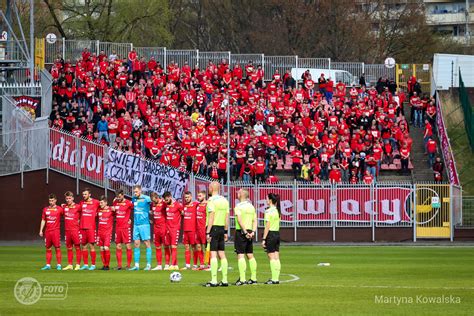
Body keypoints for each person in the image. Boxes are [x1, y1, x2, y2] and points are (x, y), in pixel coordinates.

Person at [205, 182, 230, 287]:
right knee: (222, 254)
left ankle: (214, 280)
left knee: (213, 254)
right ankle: (224, 280)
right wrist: (225, 231)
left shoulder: (211, 201)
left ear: (211, 188)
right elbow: (227, 217)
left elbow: (211, 217)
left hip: (214, 228)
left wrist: (208, 232)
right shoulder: (225, 200)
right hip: (221, 228)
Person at [234, 189, 258, 286]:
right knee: (250, 255)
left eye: (238, 192)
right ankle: (253, 278)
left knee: (240, 255)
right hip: (250, 231)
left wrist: (244, 232)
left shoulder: (238, 206)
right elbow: (255, 220)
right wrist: (252, 232)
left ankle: (242, 279)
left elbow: (239, 220)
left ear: (240, 195)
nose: (237, 193)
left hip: (241, 232)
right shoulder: (251, 206)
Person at [130, 185, 152, 271]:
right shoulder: (133, 199)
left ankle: (149, 265)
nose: (135, 193)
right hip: (136, 224)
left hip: (144, 224)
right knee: (136, 244)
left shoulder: (147, 198)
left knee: (147, 243)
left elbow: (154, 203)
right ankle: (136, 265)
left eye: (136, 191)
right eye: (134, 192)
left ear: (140, 191)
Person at [39, 194, 64, 270]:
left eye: (52, 200)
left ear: (55, 200)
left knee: (57, 248)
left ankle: (59, 265)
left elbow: (65, 215)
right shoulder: (45, 209)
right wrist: (41, 230)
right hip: (48, 232)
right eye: (50, 200)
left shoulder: (60, 209)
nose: (51, 202)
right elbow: (43, 220)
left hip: (56, 231)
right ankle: (48, 265)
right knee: (48, 248)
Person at [262, 193, 281, 284]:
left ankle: (274, 278)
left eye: (266, 198)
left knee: (271, 256)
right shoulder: (277, 211)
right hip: (277, 234)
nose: (266, 200)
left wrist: (264, 239)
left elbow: (267, 226)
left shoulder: (268, 211)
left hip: (271, 234)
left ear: (270, 200)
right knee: (276, 256)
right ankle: (276, 277)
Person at [79, 188, 100, 270]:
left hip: (91, 227)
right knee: (83, 246)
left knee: (91, 246)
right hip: (82, 227)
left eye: (85, 194)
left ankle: (93, 265)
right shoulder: (81, 203)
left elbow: (103, 205)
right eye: (83, 194)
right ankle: (85, 264)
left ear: (89, 194)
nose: (84, 196)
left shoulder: (96, 202)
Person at [113, 189, 134, 270]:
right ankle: (119, 266)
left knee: (128, 245)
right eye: (117, 197)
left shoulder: (128, 203)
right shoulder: (115, 202)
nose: (118, 198)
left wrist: (130, 219)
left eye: (119, 197)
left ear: (123, 195)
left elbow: (135, 210)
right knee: (118, 245)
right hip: (118, 227)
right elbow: (114, 213)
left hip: (126, 227)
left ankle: (128, 265)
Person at [163, 191, 183, 270]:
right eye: (165, 200)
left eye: (167, 200)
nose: (166, 201)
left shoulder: (178, 205)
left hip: (175, 228)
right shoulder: (165, 205)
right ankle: (174, 265)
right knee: (167, 246)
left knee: (173, 246)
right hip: (167, 229)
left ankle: (172, 264)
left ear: (170, 197)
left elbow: (183, 213)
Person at [62, 191, 82, 271]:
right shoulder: (64, 207)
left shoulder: (78, 207)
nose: (68, 200)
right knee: (69, 248)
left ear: (73, 198)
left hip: (75, 230)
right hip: (67, 230)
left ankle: (78, 265)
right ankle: (70, 265)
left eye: (69, 198)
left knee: (77, 247)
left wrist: (79, 222)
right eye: (67, 198)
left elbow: (82, 215)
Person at [182, 191, 199, 270]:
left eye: (188, 197)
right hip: (185, 230)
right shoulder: (184, 205)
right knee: (186, 247)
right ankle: (188, 265)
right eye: (185, 197)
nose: (186, 199)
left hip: (193, 230)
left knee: (193, 247)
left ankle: (195, 264)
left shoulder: (196, 204)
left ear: (191, 197)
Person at [97, 195, 114, 270]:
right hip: (100, 232)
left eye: (102, 202)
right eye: (100, 203)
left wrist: (128, 220)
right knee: (101, 248)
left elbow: (120, 213)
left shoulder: (111, 210)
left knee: (106, 247)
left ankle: (107, 265)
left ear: (106, 203)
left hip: (107, 232)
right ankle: (104, 265)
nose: (100, 204)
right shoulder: (99, 210)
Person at [150, 192, 166, 270]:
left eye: (154, 200)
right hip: (156, 228)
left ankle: (167, 265)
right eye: (152, 201)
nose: (153, 202)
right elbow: (153, 213)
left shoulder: (163, 203)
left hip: (163, 227)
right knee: (157, 246)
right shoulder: (152, 205)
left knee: (166, 246)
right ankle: (159, 265)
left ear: (157, 198)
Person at [195, 191, 208, 270]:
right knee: (199, 246)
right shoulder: (198, 205)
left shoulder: (207, 205)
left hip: (204, 229)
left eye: (200, 196)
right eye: (198, 196)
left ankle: (209, 264)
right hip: (197, 229)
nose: (198, 197)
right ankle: (202, 264)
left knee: (206, 247)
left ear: (204, 196)